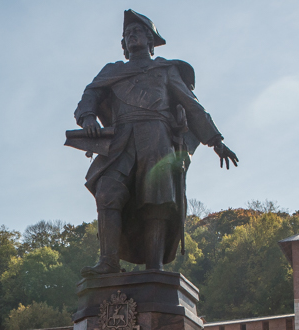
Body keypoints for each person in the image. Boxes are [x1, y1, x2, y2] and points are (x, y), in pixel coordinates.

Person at [73, 10, 238, 276]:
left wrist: (216, 141)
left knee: (157, 201)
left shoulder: (165, 70)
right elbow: (89, 95)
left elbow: (192, 106)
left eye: (137, 32)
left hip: (157, 139)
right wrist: (88, 116)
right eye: (127, 34)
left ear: (150, 41)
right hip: (120, 140)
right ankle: (109, 262)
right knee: (107, 192)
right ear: (123, 44)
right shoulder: (112, 71)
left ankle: (154, 267)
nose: (131, 36)